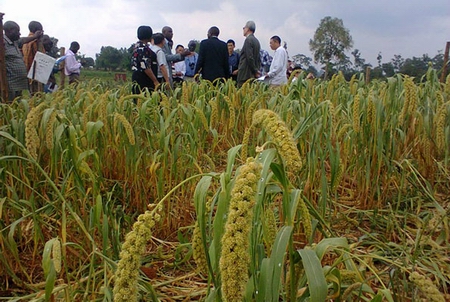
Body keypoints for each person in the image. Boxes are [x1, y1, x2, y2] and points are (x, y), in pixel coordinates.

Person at [3, 20, 43, 102]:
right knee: (9, 106)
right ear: (9, 31)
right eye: (17, 31)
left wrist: (35, 36)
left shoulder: (14, 42)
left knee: (17, 107)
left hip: (18, 85)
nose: (19, 34)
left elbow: (23, 40)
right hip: (10, 86)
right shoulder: (2, 43)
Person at [131, 25, 159, 95]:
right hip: (145, 79)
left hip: (137, 77)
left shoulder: (137, 46)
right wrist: (155, 81)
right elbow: (145, 67)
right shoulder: (143, 48)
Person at [237, 21, 261, 87]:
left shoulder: (248, 40)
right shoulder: (256, 41)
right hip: (252, 75)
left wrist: (254, 70)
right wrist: (256, 70)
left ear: (248, 29)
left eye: (244, 28)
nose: (243, 29)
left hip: (245, 75)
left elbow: (249, 57)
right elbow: (258, 58)